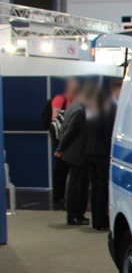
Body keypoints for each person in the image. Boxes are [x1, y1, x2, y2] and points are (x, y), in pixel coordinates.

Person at [56, 84, 94, 226]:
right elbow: (70, 132)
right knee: (78, 186)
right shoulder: (79, 111)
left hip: (73, 153)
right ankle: (74, 215)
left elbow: (65, 130)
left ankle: (76, 214)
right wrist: (60, 148)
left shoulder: (72, 107)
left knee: (76, 184)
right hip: (78, 154)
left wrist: (62, 148)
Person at [85, 79, 121, 230]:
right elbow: (108, 134)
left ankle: (96, 220)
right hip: (102, 154)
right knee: (102, 189)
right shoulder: (112, 108)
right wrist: (111, 154)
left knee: (95, 188)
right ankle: (101, 222)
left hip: (91, 151)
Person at [51, 77, 80, 206]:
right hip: (62, 138)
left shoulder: (76, 102)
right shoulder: (60, 99)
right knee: (61, 169)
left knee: (70, 170)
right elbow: (55, 118)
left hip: (72, 140)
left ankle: (68, 196)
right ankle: (58, 195)